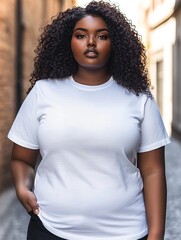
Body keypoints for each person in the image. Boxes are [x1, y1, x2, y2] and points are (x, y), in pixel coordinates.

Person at [8, 1, 170, 240]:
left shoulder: (139, 97)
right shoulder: (43, 92)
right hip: (51, 229)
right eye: (81, 35)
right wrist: (22, 188)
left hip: (125, 232)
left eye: (102, 36)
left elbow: (153, 170)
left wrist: (156, 234)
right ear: (68, 42)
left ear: (115, 43)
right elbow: (21, 158)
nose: (91, 43)